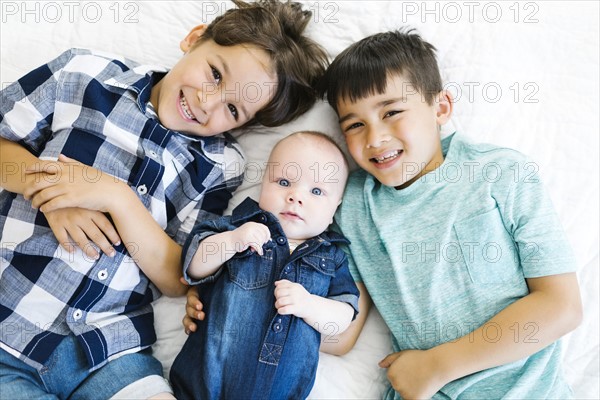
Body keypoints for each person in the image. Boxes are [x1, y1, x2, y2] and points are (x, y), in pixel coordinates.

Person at [184, 29, 583, 399]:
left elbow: (561, 307)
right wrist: (231, 298)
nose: (375, 138)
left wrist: (436, 366)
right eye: (355, 124)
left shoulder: (501, 173)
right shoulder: (354, 202)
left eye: (391, 112)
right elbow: (341, 335)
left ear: (440, 106)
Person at [0, 0, 328, 398]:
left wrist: (116, 197)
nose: (207, 103)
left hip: (109, 349)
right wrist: (49, 190)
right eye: (214, 74)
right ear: (193, 39)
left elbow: (178, 274)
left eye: (232, 108)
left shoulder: (219, 166)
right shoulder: (86, 75)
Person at [169, 131, 360, 400]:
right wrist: (233, 240)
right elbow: (193, 266)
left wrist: (309, 305)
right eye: (283, 181)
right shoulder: (238, 228)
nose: (295, 196)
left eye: (316, 191)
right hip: (201, 387)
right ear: (262, 187)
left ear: (334, 209)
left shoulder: (332, 259)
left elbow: (343, 318)